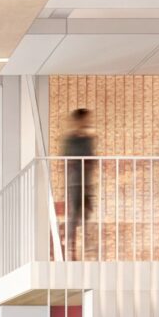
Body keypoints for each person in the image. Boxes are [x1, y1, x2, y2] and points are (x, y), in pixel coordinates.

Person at [60, 107, 96, 258]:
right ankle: (70, 247)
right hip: (75, 181)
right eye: (86, 119)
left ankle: (86, 246)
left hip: (86, 182)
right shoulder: (70, 139)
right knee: (74, 214)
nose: (88, 122)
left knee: (87, 213)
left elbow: (91, 159)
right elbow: (68, 158)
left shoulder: (88, 139)